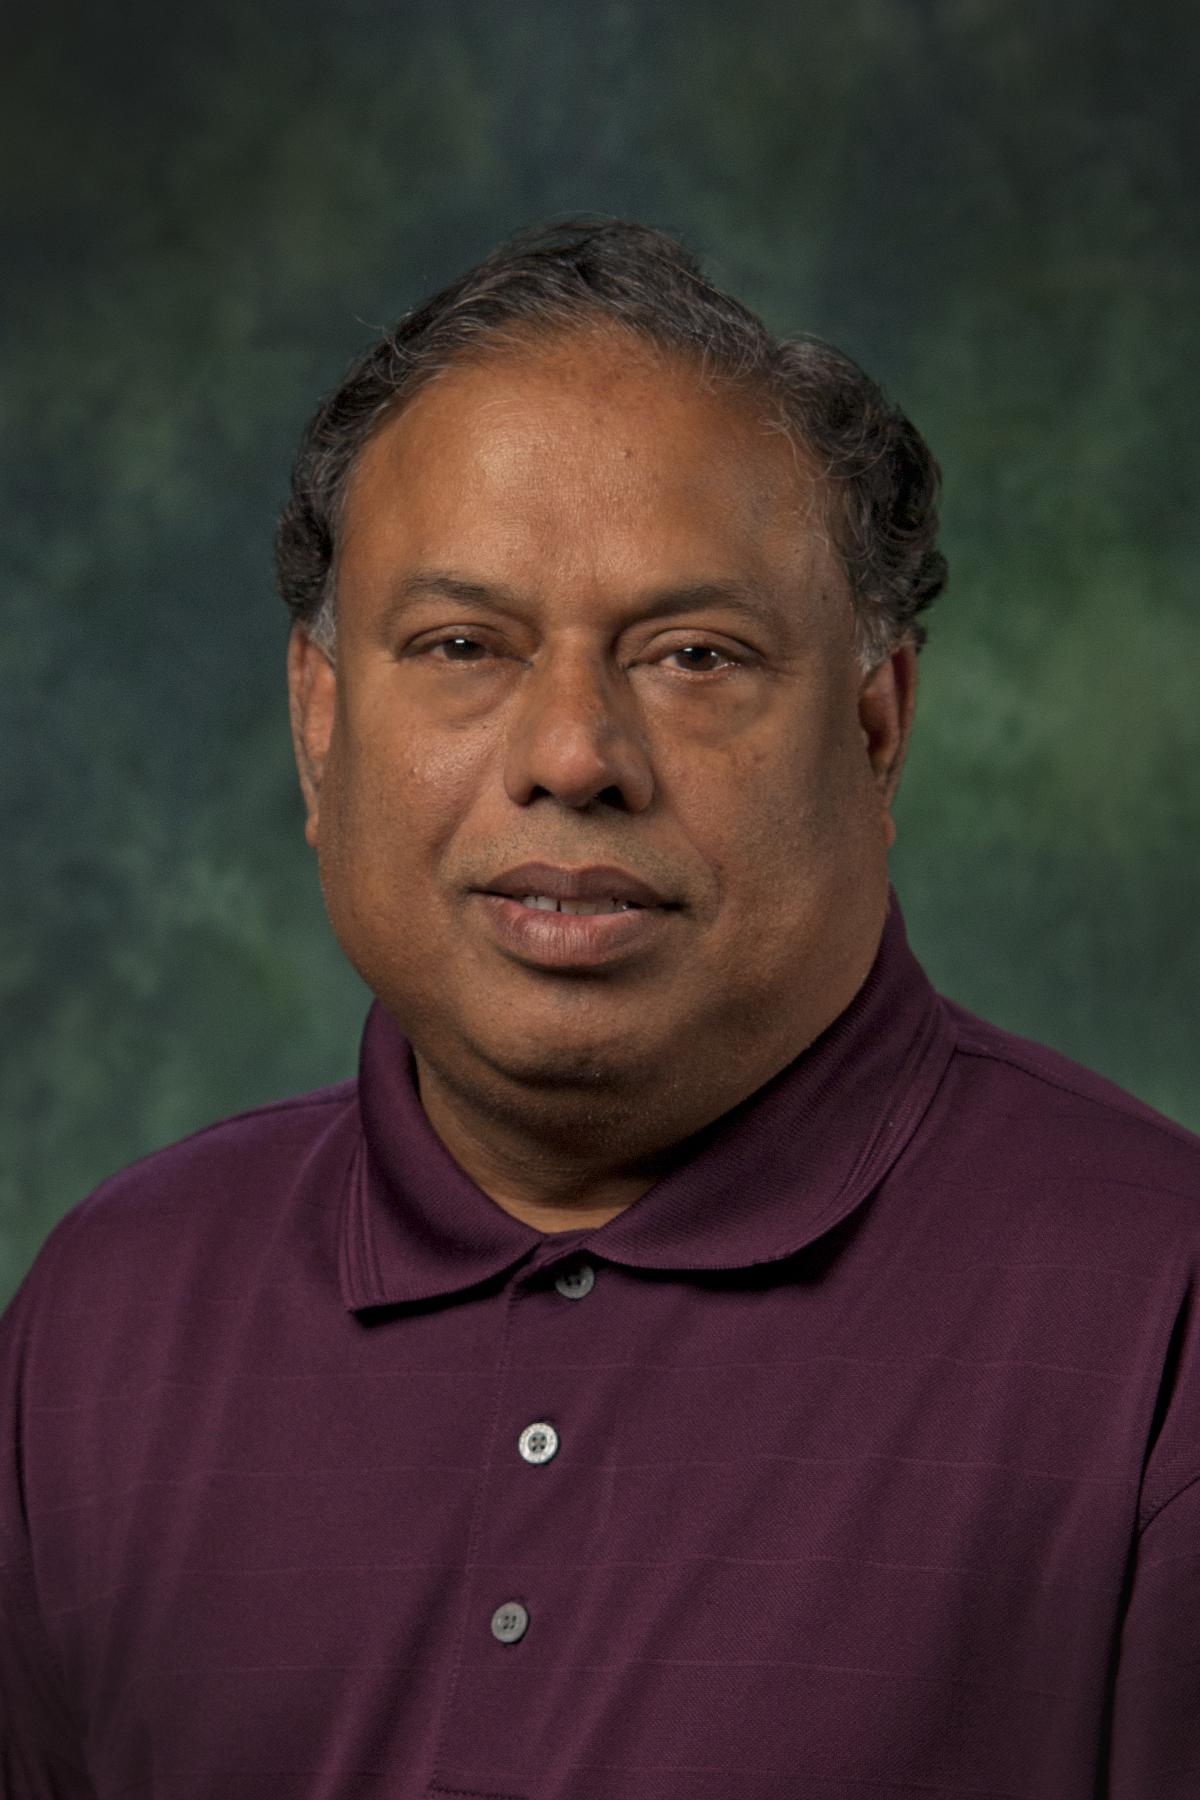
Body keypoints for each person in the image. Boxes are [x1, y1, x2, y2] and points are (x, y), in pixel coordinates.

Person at [2, 219, 1197, 1800]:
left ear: (877, 724)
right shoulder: (105, 1319)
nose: (573, 752)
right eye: (462, 646)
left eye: (693, 654)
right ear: (318, 725)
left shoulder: (1162, 1314)